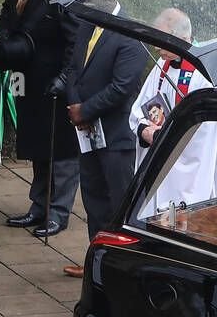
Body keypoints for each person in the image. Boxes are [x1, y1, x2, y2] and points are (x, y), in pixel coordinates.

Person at [0, 0, 78, 237]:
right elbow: (9, 16)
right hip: (27, 79)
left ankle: (59, 212)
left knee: (62, 152)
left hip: (55, 82)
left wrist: (64, 79)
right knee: (38, 148)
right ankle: (38, 206)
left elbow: (74, 40)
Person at [58, 15, 149, 278]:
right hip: (88, 132)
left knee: (119, 201)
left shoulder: (129, 33)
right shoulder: (87, 24)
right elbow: (74, 69)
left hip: (117, 133)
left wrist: (86, 110)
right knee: (93, 197)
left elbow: (122, 86)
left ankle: (123, 267)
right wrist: (77, 108)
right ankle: (97, 261)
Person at [128, 8, 217, 218]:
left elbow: (205, 132)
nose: (156, 47)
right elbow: (139, 109)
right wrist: (145, 130)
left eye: (162, 40)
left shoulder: (204, 74)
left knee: (180, 221)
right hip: (158, 163)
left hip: (188, 172)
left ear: (182, 39)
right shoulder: (162, 66)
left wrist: (165, 135)